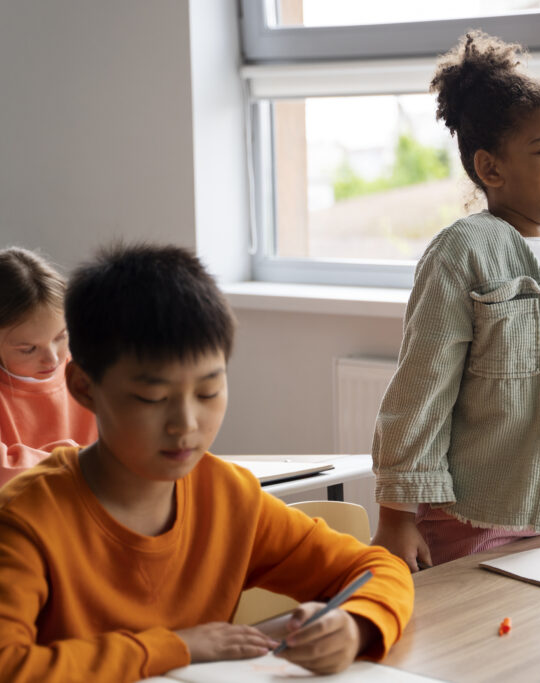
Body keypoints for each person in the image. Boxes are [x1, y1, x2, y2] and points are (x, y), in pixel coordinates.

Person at [0, 243, 413, 681]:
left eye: (208, 392)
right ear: (83, 387)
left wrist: (356, 624)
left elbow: (376, 568)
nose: (185, 425)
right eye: (152, 398)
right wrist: (176, 647)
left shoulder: (227, 497)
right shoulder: (28, 518)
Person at [372, 31, 540, 572]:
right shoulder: (464, 250)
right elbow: (421, 388)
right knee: (477, 629)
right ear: (491, 168)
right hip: (479, 502)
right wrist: (396, 517)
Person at [0, 247, 97, 487]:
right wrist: (76, 461)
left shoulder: (94, 374)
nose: (52, 359)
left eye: (61, 337)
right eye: (28, 349)